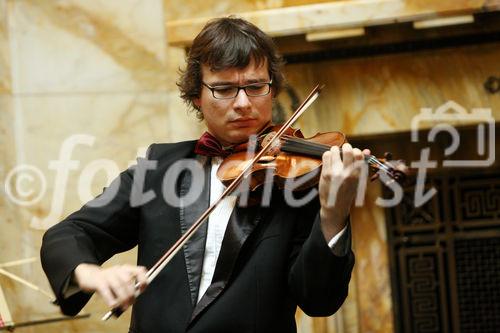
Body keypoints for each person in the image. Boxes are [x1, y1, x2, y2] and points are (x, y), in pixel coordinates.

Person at [41, 17, 368, 332]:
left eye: (255, 86)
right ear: (197, 95)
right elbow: (71, 232)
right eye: (224, 89)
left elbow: (320, 300)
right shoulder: (160, 168)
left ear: (273, 89)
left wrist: (333, 213)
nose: (242, 103)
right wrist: (92, 274)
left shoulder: (302, 182)